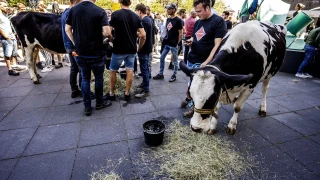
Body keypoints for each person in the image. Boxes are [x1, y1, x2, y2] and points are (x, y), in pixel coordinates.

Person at [66, 0, 113, 116]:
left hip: (81, 52)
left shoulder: (73, 10)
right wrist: (99, 36)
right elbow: (107, 32)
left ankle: (87, 106)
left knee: (85, 79)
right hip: (97, 52)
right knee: (98, 78)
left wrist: (75, 42)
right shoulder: (99, 11)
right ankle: (99, 103)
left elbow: (67, 29)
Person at [181, 0, 227, 117]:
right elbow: (195, 37)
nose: (197, 14)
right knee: (191, 83)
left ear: (207, 8)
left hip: (203, 61)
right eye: (196, 12)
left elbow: (217, 45)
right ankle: (189, 98)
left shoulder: (218, 21)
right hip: (192, 58)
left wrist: (206, 62)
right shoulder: (198, 22)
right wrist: (190, 41)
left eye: (199, 11)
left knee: (198, 87)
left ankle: (194, 108)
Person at [104, 0, 146, 102]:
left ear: (120, 2)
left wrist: (112, 40)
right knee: (130, 70)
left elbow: (108, 32)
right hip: (131, 49)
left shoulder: (115, 14)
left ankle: (112, 94)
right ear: (130, 3)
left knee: (113, 71)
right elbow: (143, 35)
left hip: (118, 48)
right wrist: (136, 39)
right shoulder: (135, 16)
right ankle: (127, 94)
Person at [153, 3, 183, 82]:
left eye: (169, 9)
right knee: (162, 57)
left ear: (173, 10)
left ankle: (174, 75)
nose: (168, 10)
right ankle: (160, 74)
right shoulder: (168, 19)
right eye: (167, 9)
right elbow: (167, 30)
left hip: (174, 44)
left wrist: (177, 43)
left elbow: (180, 33)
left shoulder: (178, 20)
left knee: (175, 60)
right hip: (167, 43)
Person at [61, 0, 82, 98]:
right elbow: (68, 29)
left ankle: (74, 89)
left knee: (74, 68)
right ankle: (82, 89)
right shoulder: (72, 12)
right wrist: (76, 44)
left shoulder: (65, 12)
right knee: (81, 68)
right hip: (74, 47)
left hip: (68, 46)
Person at [135, 3, 153, 98]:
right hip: (148, 47)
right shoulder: (149, 19)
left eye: (136, 11)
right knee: (144, 68)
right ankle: (144, 84)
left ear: (139, 11)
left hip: (144, 48)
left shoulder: (144, 21)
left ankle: (146, 90)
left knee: (144, 69)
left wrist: (139, 48)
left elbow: (143, 36)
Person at [0, 3, 19, 76]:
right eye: (4, 6)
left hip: (12, 36)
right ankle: (10, 69)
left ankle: (14, 66)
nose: (6, 7)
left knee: (14, 53)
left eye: (6, 6)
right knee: (7, 54)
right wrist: (5, 35)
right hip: (6, 37)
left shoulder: (4, 15)